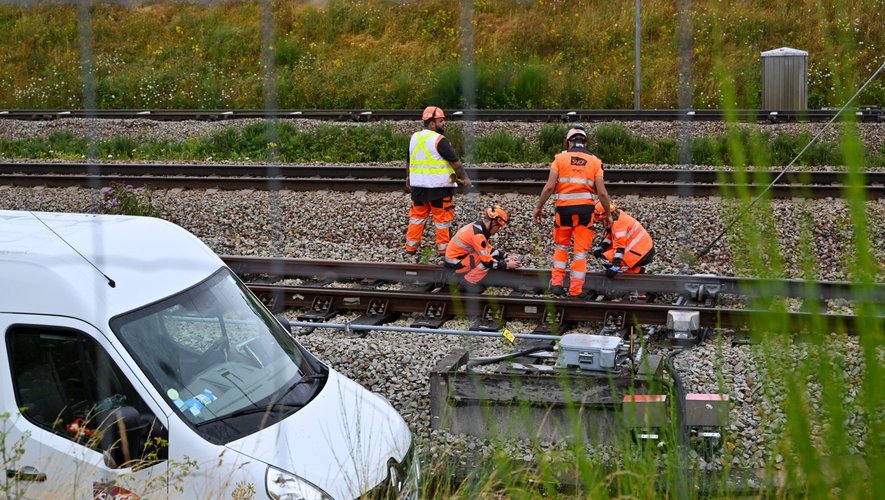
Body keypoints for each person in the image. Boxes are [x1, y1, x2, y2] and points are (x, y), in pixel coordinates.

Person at [533, 127, 611, 298]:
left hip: (563, 211)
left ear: (568, 142)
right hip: (585, 211)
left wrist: (539, 207)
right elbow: (602, 193)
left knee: (561, 247)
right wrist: (608, 214)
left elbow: (549, 187)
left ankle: (557, 285)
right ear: (585, 142)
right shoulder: (595, 162)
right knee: (580, 253)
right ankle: (575, 290)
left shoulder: (559, 159)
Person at [404, 106, 473, 256]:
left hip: (418, 188)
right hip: (439, 189)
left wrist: (408, 177)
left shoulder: (414, 138)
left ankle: (410, 248)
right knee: (442, 220)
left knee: (416, 218)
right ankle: (444, 251)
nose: (444, 124)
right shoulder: (439, 140)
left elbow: (409, 161)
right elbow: (456, 163)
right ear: (431, 123)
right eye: (441, 121)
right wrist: (465, 178)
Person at [444, 206, 520, 294]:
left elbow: (487, 247)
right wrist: (507, 265)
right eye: (498, 227)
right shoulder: (478, 235)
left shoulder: (478, 226)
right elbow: (487, 262)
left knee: (488, 254)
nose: (497, 230)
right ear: (494, 222)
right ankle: (468, 282)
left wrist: (506, 255)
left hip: (457, 259)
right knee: (487, 259)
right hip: (455, 265)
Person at [591, 201, 655, 277]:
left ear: (606, 217)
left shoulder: (618, 226)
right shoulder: (619, 216)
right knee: (606, 252)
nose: (602, 223)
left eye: (602, 221)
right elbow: (612, 236)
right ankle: (631, 268)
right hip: (643, 249)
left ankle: (634, 270)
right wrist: (601, 247)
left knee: (604, 258)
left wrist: (615, 267)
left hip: (641, 253)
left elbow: (619, 248)